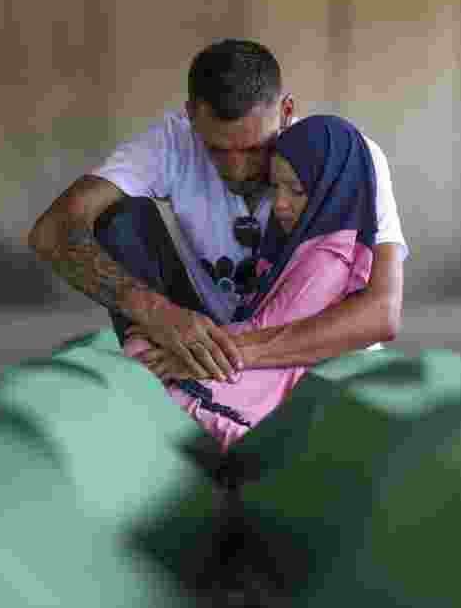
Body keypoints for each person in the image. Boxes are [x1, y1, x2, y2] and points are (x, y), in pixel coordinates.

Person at [26, 39, 407, 382]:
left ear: (287, 110)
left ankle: (190, 373)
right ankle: (159, 376)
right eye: (218, 151)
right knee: (119, 219)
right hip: (207, 332)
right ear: (192, 116)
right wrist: (154, 311)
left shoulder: (347, 158)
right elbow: (53, 230)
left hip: (301, 346)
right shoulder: (171, 143)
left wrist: (237, 354)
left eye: (256, 149)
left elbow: (381, 314)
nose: (239, 170)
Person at [123, 115, 379, 450]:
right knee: (145, 347)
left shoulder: (330, 257)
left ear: (332, 189)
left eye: (297, 191)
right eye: (276, 188)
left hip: (274, 361)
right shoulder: (302, 243)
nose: (281, 204)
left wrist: (185, 353)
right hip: (254, 348)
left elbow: (268, 327)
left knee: (154, 372)